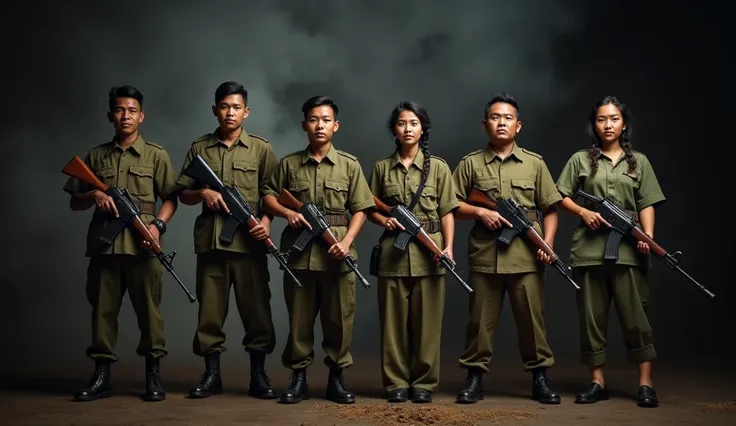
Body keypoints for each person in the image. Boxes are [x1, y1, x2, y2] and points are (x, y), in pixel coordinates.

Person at [63, 85, 178, 402]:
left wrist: (157, 226)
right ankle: (101, 376)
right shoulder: (96, 156)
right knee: (102, 313)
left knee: (150, 316)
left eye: (131, 110)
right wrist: (94, 194)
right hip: (105, 249)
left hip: (144, 248)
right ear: (110, 115)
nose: (125, 116)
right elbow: (75, 203)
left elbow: (171, 198)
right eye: (119, 110)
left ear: (141, 116)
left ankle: (153, 376)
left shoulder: (156, 154)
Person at [262, 95, 375, 405]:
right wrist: (288, 214)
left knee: (339, 319)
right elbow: (269, 197)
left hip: (337, 252)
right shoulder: (289, 164)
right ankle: (298, 379)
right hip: (299, 257)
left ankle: (336, 380)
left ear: (335, 126)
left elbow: (361, 209)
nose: (319, 125)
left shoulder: (349, 165)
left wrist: (347, 243)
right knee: (299, 320)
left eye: (326, 120)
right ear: (304, 125)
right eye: (314, 119)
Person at [452, 93, 562, 405]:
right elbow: (451, 205)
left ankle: (540, 377)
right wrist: (480, 212)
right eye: (496, 117)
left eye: (508, 117)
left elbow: (551, 208)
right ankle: (474, 377)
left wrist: (548, 245)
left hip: (527, 255)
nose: (502, 122)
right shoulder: (470, 163)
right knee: (479, 323)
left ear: (518, 125)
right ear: (485, 124)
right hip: (486, 255)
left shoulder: (535, 163)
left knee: (532, 321)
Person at [556, 96, 665, 408]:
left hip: (630, 251)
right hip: (589, 250)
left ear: (624, 124)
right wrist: (582, 213)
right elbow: (559, 195)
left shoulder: (638, 162)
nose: (608, 125)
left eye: (614, 119)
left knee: (637, 318)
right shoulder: (580, 160)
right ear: (594, 124)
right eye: (602, 119)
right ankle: (597, 381)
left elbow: (647, 203)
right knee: (592, 318)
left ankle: (645, 384)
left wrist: (647, 236)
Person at [174, 81, 279, 400]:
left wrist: (265, 222)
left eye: (236, 107)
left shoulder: (261, 148)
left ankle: (258, 375)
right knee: (210, 313)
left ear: (246, 112)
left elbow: (271, 194)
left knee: (257, 312)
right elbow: (181, 192)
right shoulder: (200, 148)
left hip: (249, 247)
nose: (230, 112)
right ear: (215, 110)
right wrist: (201, 192)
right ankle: (212, 375)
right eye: (224, 106)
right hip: (212, 246)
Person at [366, 101, 458, 403]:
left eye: (414, 123)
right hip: (394, 254)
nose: (408, 129)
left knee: (428, 324)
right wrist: (385, 220)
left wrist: (448, 247)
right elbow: (369, 208)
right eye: (402, 123)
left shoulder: (440, 168)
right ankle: (395, 383)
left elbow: (447, 211)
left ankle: (424, 383)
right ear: (394, 128)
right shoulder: (381, 168)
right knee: (393, 325)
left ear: (423, 129)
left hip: (429, 254)